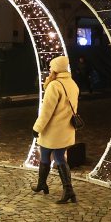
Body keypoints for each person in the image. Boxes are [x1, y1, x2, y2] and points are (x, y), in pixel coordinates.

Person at [31, 56, 80, 204]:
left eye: (52, 67)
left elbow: (46, 112)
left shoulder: (54, 86)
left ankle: (68, 190)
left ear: (56, 68)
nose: (50, 69)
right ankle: (42, 184)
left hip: (52, 131)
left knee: (55, 158)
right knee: (49, 155)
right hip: (66, 129)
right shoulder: (72, 84)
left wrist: (37, 128)